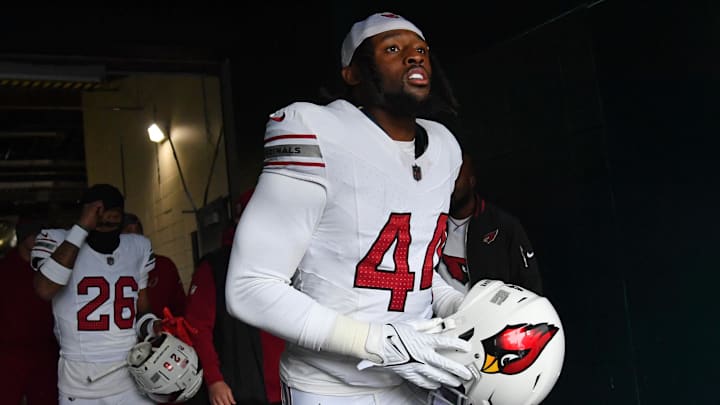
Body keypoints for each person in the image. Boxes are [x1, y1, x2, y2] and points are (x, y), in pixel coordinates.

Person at [225, 11, 473, 404]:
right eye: (393, 48)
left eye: (421, 49)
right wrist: (378, 342)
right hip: (331, 389)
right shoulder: (315, 129)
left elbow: (412, 271)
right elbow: (249, 287)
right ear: (352, 73)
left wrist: (458, 303)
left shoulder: (444, 147)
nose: (414, 57)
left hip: (419, 380)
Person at [31, 183, 158, 405]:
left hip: (131, 378)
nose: (107, 228)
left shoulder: (138, 247)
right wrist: (81, 229)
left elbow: (141, 312)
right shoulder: (57, 240)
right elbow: (45, 289)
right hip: (80, 385)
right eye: (100, 223)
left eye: (113, 222)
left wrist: (155, 327)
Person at [186, 188, 285, 405]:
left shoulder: (291, 261)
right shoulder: (215, 267)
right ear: (239, 220)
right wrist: (214, 380)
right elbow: (197, 328)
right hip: (240, 390)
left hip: (291, 386)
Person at [439, 152, 543, 294]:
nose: (450, 183)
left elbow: (529, 281)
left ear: (471, 181)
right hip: (441, 313)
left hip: (489, 313)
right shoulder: (431, 223)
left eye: (456, 176)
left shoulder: (503, 225)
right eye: (446, 177)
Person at [0, 217, 59, 405]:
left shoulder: (49, 269)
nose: (39, 238)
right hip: (9, 351)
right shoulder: (5, 269)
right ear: (23, 236)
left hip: (44, 349)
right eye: (34, 234)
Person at [122, 212, 187, 317]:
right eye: (129, 233)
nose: (135, 239)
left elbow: (180, 307)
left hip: (163, 330)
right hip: (126, 332)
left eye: (138, 233)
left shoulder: (164, 266)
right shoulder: (113, 270)